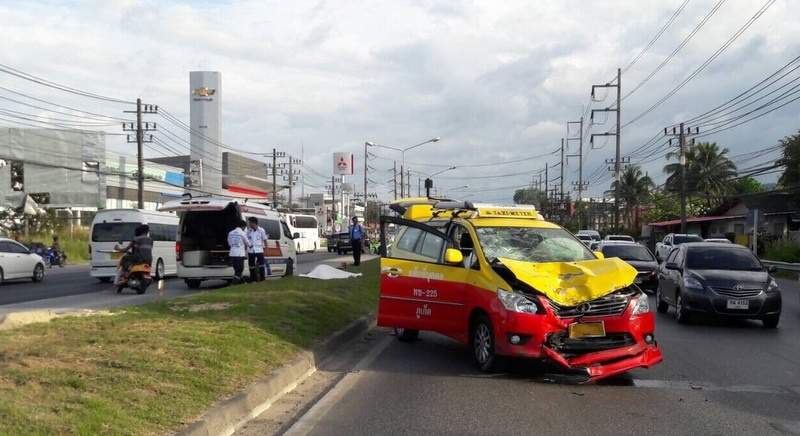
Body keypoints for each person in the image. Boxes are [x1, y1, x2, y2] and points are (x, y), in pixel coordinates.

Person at [111, 225, 153, 291]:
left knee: (125, 258)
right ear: (147, 231)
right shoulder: (151, 240)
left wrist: (118, 248)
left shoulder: (137, 239)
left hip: (139, 257)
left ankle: (125, 273)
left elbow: (130, 249)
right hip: (149, 259)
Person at [228, 220, 251, 284]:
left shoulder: (230, 233)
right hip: (240, 254)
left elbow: (229, 243)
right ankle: (233, 284)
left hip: (232, 254)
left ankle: (242, 283)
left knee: (236, 270)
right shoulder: (242, 233)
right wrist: (251, 246)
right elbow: (248, 243)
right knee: (240, 270)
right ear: (243, 226)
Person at [246, 217, 269, 283]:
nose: (249, 224)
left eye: (250, 222)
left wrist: (267, 249)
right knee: (251, 266)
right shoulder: (248, 231)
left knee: (261, 265)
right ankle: (253, 280)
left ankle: (262, 279)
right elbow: (246, 241)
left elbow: (265, 240)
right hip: (251, 250)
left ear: (254, 223)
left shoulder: (261, 230)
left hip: (259, 250)